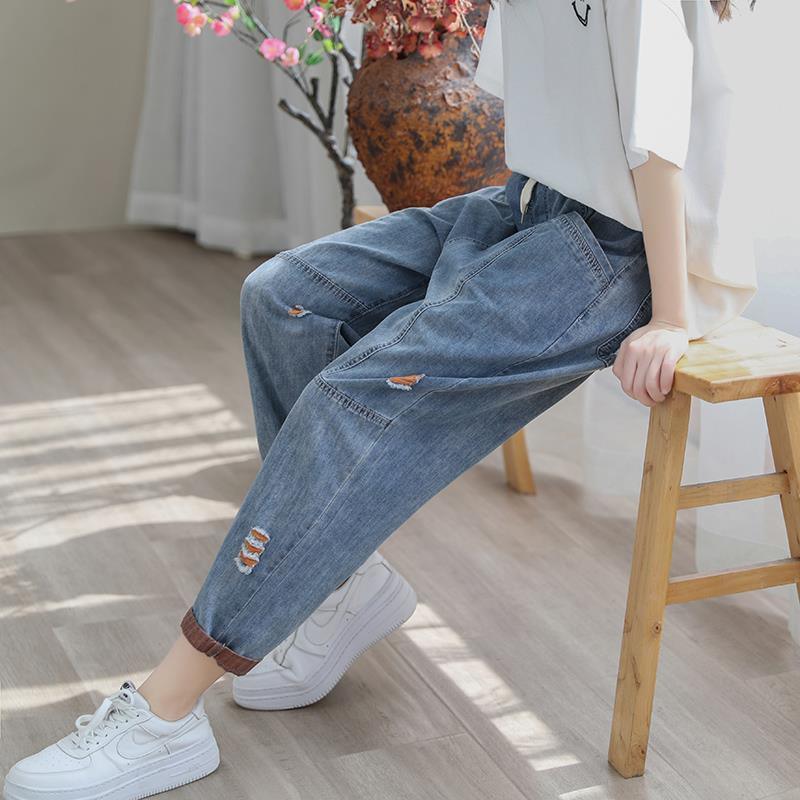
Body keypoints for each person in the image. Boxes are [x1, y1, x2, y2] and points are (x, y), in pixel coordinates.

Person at [3, 1, 759, 798]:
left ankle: (167, 714)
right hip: (532, 205)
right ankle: (341, 586)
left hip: (624, 251)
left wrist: (673, 316)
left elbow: (657, 140)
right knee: (287, 296)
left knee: (351, 397)